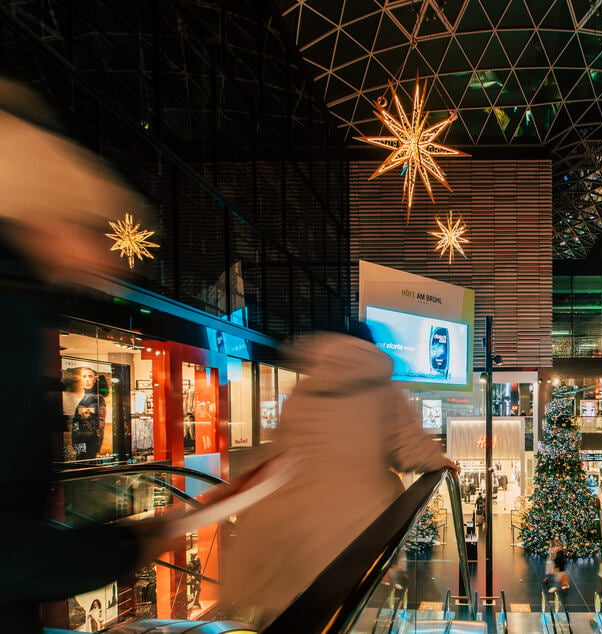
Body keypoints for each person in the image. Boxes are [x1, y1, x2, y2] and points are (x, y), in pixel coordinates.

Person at [0, 78, 186, 632]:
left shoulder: (22, 302)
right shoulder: (12, 308)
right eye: (90, 232)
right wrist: (130, 542)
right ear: (47, 217)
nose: (107, 262)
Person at [221, 324, 457, 627]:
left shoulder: (305, 390)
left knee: (286, 614)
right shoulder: (382, 391)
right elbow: (409, 448)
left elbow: (282, 452)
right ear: (372, 349)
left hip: (288, 526)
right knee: (338, 612)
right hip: (347, 527)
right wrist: (441, 461)